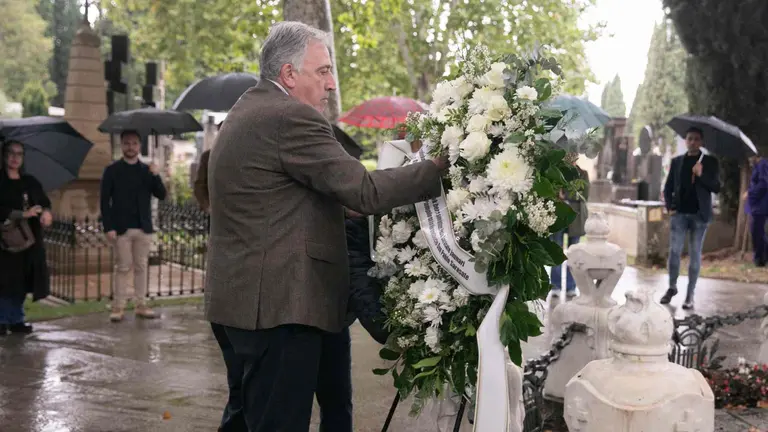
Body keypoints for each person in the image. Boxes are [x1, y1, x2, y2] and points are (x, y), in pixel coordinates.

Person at [205, 21, 446, 432]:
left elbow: (280, 200)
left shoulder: (248, 109)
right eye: (323, 71)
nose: (331, 84)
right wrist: (436, 169)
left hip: (241, 302)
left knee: (246, 417)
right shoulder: (289, 116)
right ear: (289, 74)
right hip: (282, 308)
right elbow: (365, 191)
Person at [100, 130, 167, 322]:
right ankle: (118, 306)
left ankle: (141, 304)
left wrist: (156, 175)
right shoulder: (112, 171)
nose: (131, 147)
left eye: (135, 143)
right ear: (122, 145)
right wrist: (108, 226)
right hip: (121, 228)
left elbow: (161, 194)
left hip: (143, 227)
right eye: (127, 143)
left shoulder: (147, 171)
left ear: (140, 146)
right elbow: (105, 201)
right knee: (122, 267)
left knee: (141, 266)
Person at [661, 127, 721, 309]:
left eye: (696, 139)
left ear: (701, 142)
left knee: (695, 254)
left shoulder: (710, 162)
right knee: (674, 252)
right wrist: (670, 206)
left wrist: (701, 175)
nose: (692, 142)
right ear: (685, 141)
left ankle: (690, 295)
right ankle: (672, 287)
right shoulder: (677, 161)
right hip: (679, 214)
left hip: (699, 216)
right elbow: (668, 186)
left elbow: (716, 187)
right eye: (689, 139)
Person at [0, 140, 52, 335]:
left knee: (22, 281)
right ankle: (2, 319)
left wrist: (46, 212)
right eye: (11, 153)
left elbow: (44, 202)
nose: (15, 158)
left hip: (29, 240)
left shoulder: (30, 181)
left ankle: (17, 320)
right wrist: (21, 214)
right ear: (4, 156)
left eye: (19, 154)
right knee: (5, 281)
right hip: (6, 242)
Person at [550, 160, 590, 299]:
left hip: (577, 218)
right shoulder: (557, 172)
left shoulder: (583, 174)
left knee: (574, 254)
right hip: (559, 216)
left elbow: (584, 194)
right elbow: (552, 191)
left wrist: (565, 195)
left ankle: (571, 287)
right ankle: (555, 285)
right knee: (556, 252)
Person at [747, 153, 768, 266]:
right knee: (758, 232)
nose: (748, 159)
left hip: (761, 205)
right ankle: (761, 258)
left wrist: (750, 193)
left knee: (756, 231)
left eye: (750, 156)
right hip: (757, 205)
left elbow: (764, 184)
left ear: (756, 155)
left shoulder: (763, 164)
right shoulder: (758, 166)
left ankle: (760, 259)